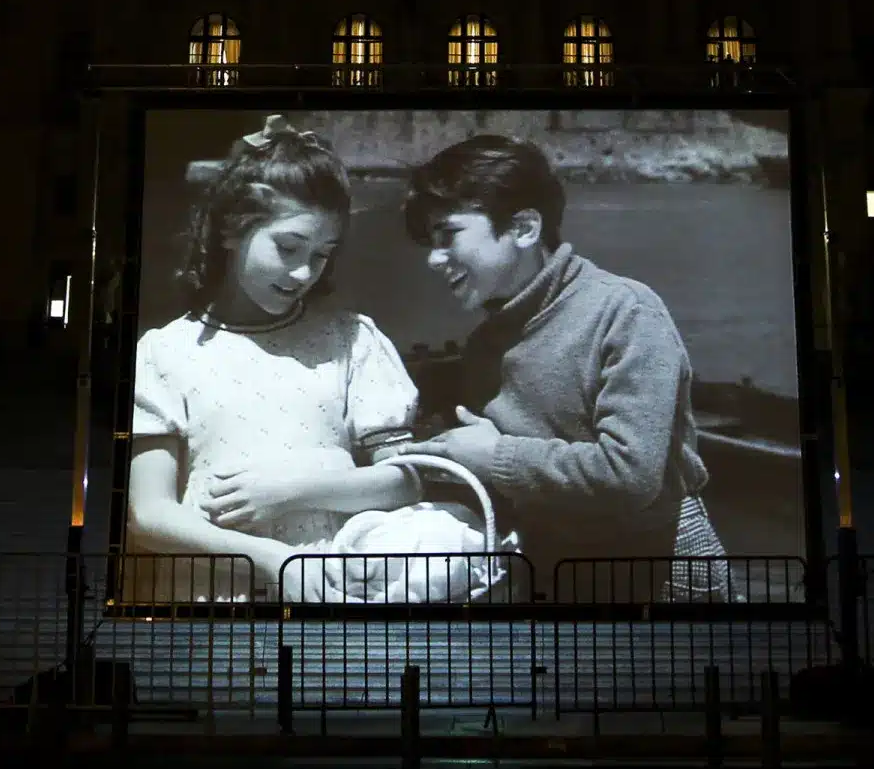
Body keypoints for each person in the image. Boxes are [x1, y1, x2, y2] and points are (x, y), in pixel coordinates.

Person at [400, 135, 731, 602]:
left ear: (523, 228)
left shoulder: (626, 311)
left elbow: (630, 474)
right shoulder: (484, 345)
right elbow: (508, 471)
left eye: (448, 234)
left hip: (662, 575)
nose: (434, 258)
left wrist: (495, 456)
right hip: (554, 575)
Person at [126, 115, 429, 602]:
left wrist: (291, 490)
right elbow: (149, 514)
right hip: (213, 596)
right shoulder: (165, 352)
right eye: (288, 247)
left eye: (324, 253)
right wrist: (270, 559)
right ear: (230, 230)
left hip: (332, 588)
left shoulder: (351, 340)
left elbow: (406, 480)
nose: (305, 271)